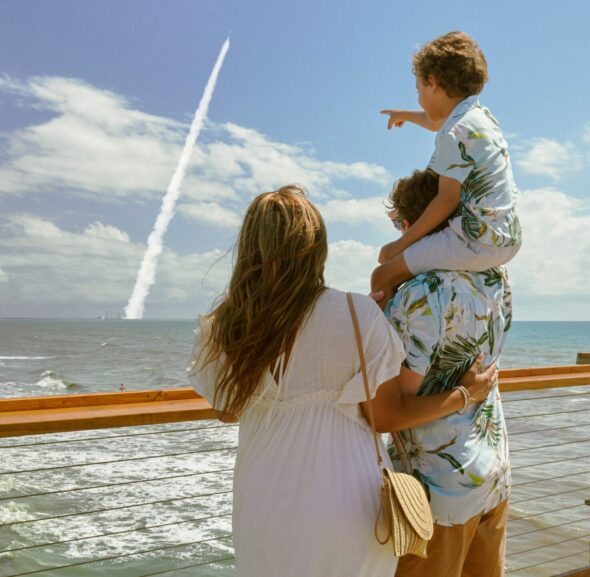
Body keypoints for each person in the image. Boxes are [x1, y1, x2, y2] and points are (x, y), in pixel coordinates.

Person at [188, 185, 498, 577]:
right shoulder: (357, 313)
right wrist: (465, 394)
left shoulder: (222, 326)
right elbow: (385, 412)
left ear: (250, 248)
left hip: (263, 495)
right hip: (349, 501)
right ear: (317, 248)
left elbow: (226, 411)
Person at [383, 169, 512, 577]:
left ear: (410, 227)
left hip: (438, 494)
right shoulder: (496, 279)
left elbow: (393, 411)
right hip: (492, 475)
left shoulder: (418, 295)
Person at [373, 31, 521, 306]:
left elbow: (446, 199)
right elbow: (434, 120)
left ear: (432, 81)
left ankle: (383, 347)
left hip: (474, 240)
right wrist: (404, 114)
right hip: (506, 237)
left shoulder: (455, 132)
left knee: (382, 274)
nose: (418, 98)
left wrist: (400, 245)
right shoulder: (479, 118)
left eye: (418, 90)